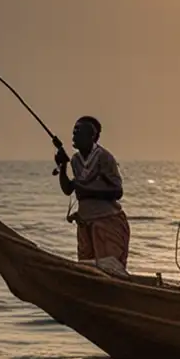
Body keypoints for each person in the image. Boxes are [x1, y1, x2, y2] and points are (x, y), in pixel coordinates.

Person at [55, 116, 129, 270]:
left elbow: (117, 191)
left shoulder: (104, 158)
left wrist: (87, 190)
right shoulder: (75, 160)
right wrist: (63, 166)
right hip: (85, 224)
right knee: (87, 268)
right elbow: (68, 189)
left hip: (107, 223)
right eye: (73, 132)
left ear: (92, 136)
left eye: (78, 133)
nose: (74, 136)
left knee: (109, 269)